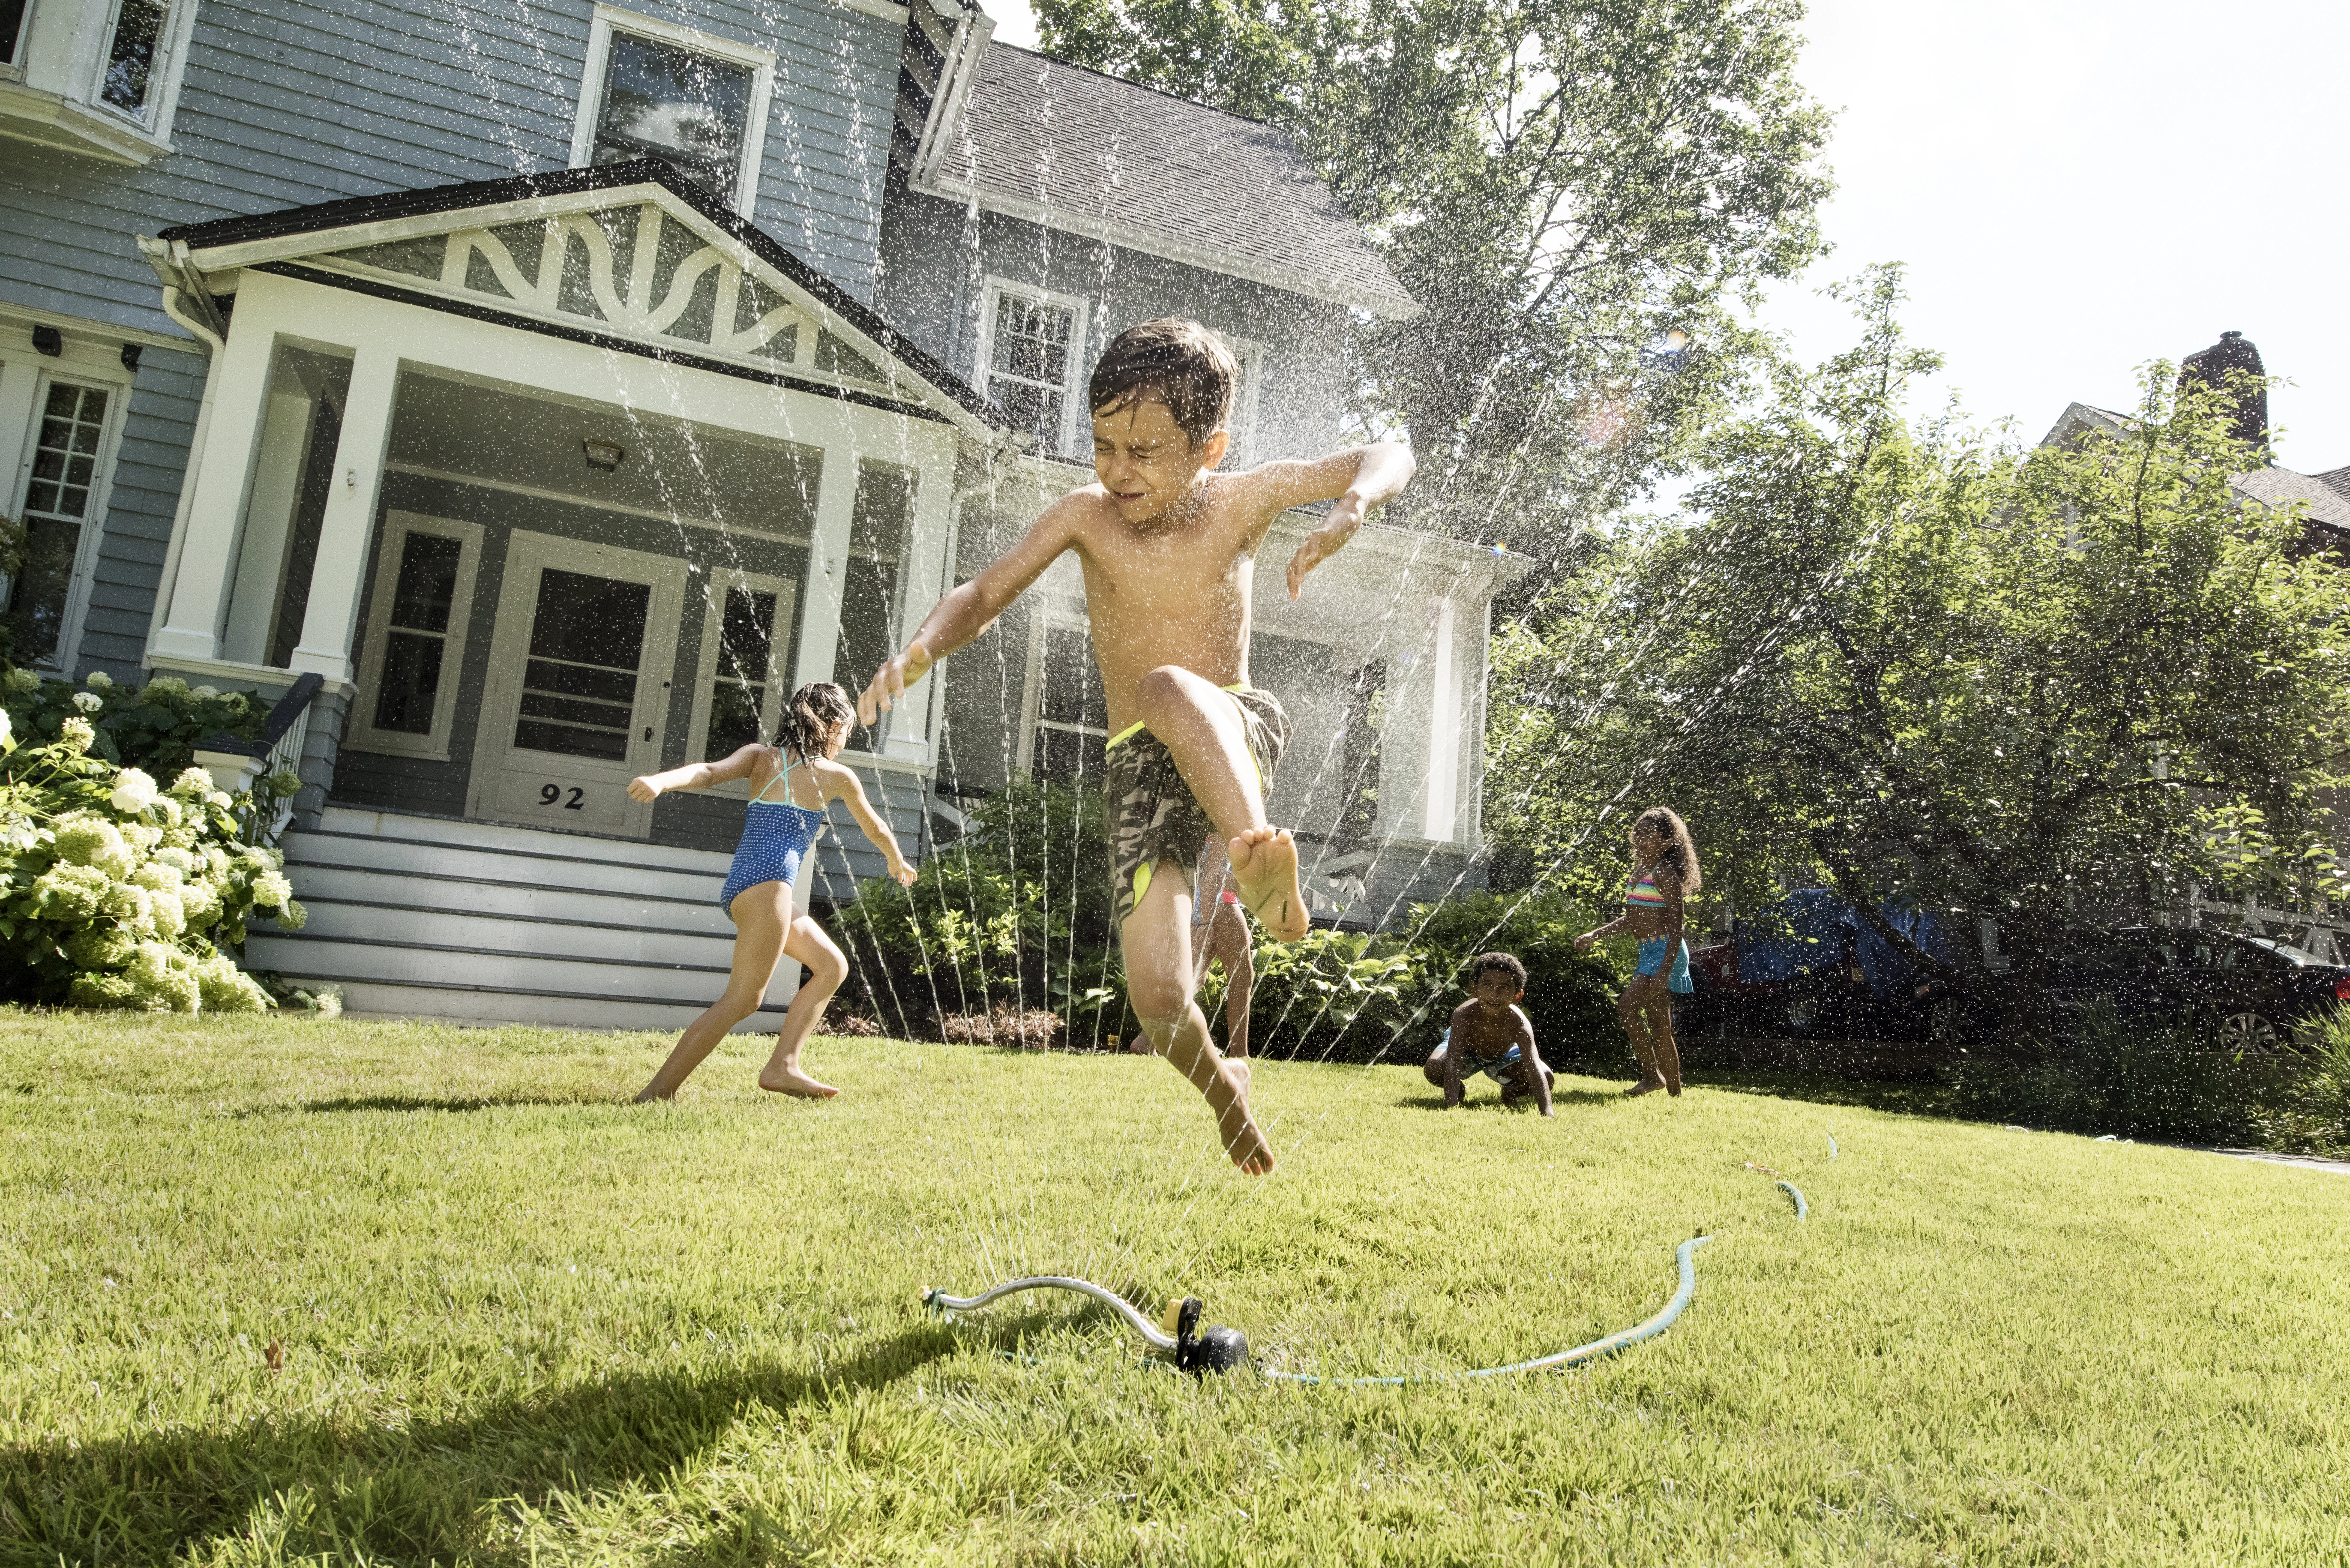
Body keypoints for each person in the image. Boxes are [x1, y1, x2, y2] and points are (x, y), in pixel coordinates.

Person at [859, 317, 1416, 1173]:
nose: (1117, 469)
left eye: (1145, 449)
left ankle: (1256, 854)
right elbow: (985, 591)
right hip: (1137, 765)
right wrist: (921, 647)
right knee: (1158, 999)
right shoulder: (1085, 514)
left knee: (1164, 685)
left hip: (1230, 724)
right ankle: (1227, 1094)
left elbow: (1390, 450)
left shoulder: (1245, 497)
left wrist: (1352, 505)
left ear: (1209, 447)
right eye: (1104, 443)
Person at [629, 682, 916, 1102]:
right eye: (847, 732)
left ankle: (784, 1065)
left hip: (747, 886)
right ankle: (657, 1092)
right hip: (769, 889)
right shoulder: (835, 775)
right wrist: (895, 858)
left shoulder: (760, 757)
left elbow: (707, 772)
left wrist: (663, 781)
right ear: (834, 725)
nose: (846, 740)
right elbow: (875, 826)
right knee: (743, 999)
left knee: (831, 965)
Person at [1575, 806, 1701, 1096]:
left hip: (1667, 952)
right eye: (1638, 833)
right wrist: (1596, 934)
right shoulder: (1639, 872)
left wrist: (1666, 971)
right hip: (1649, 951)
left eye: (1649, 834)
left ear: (1669, 842)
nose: (1640, 839)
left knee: (1627, 1007)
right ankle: (1675, 1093)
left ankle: (1652, 1076)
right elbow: (1633, 918)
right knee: (1660, 1025)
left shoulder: (1666, 874)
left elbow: (1678, 927)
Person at [1129, 835, 1254, 1080]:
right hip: (1219, 905)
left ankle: (1146, 1042)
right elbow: (1214, 874)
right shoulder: (1225, 820)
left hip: (1207, 904)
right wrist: (1206, 921)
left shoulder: (1217, 818)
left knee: (1192, 980)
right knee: (1241, 977)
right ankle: (1241, 1054)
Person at [1424, 951, 1553, 1114]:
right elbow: (1454, 1061)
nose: (1495, 994)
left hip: (1504, 1055)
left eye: (1505, 988)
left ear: (1517, 996)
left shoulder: (1519, 1024)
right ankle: (1458, 1091)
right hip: (1467, 1051)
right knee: (1434, 1068)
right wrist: (1452, 1106)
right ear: (1474, 988)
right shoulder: (1463, 1015)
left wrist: (1547, 1113)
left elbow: (1533, 1066)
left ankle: (1512, 1091)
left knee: (1547, 1076)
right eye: (1488, 985)